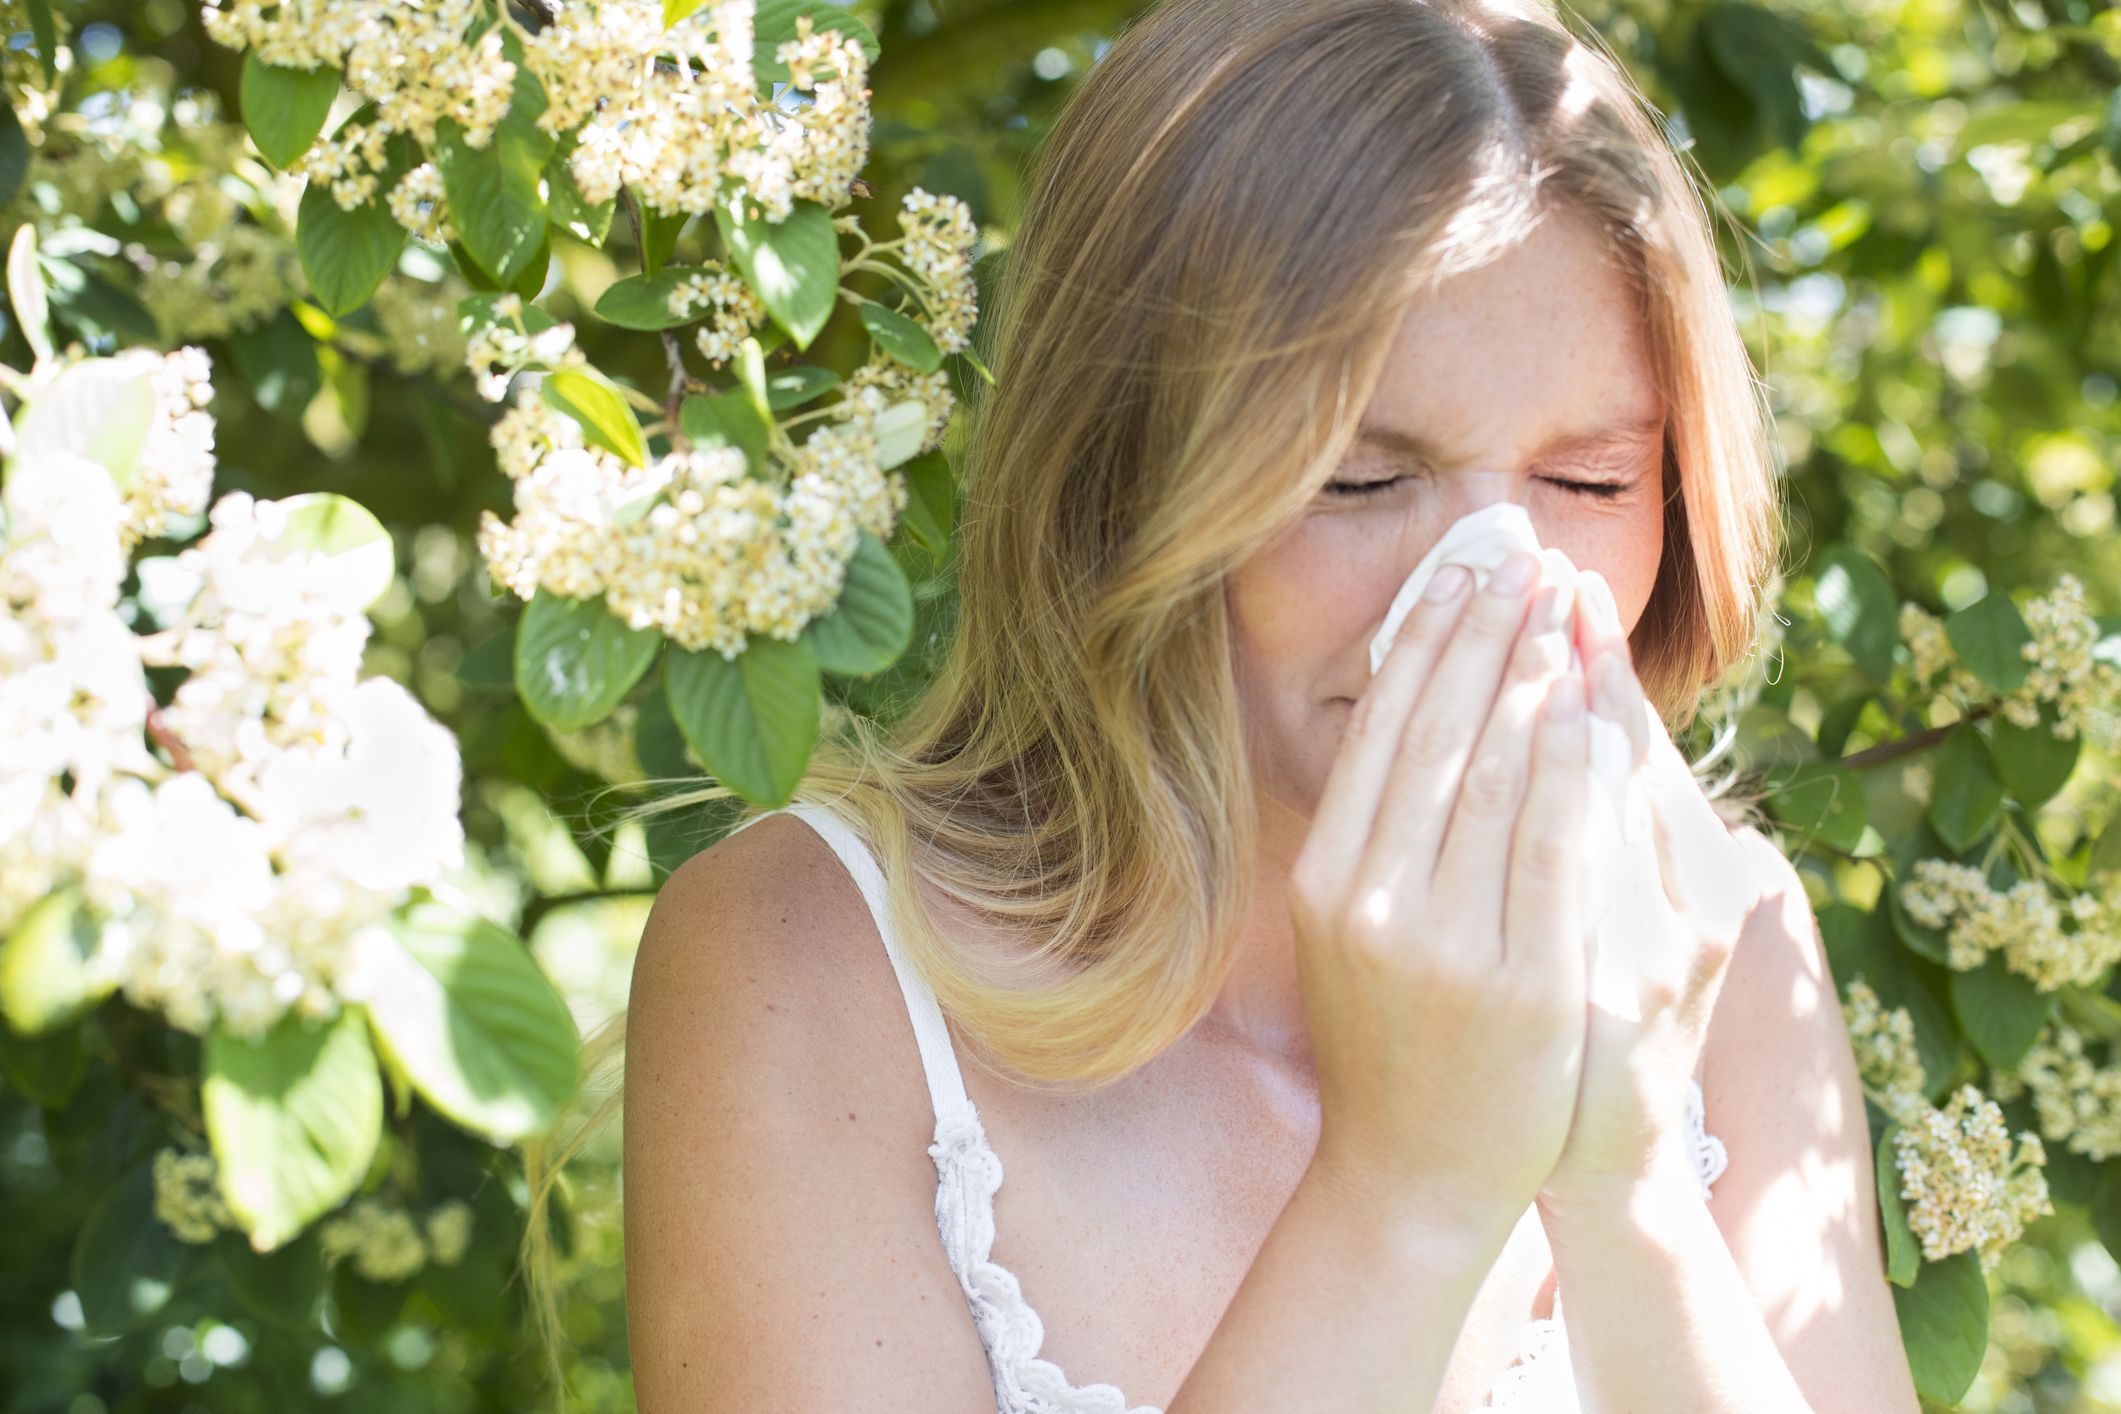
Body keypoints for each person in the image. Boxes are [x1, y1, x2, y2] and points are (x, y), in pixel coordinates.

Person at [620, 0, 1919, 1408]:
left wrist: (1627, 1187)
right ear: (1125, 479)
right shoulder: (806, 965)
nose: (1488, 587)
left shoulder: (1723, 949)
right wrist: (1405, 1190)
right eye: (1355, 480)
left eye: (1590, 482)